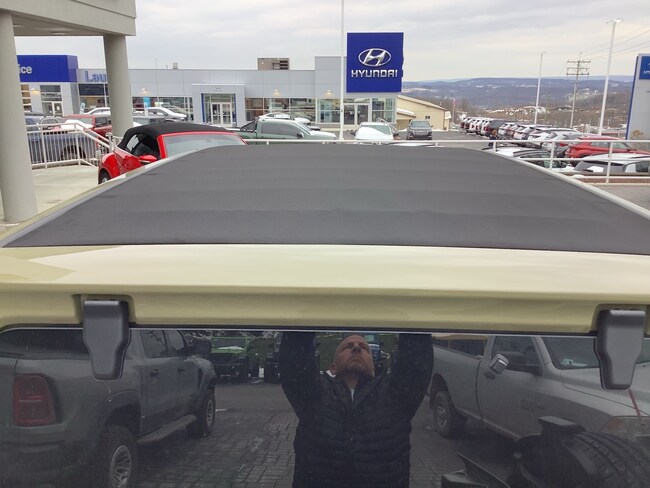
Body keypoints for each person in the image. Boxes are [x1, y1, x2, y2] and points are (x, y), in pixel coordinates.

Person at [279, 332, 433, 488]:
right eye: (347, 346)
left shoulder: (395, 396)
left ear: (373, 367)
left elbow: (416, 354)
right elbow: (295, 351)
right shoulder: (313, 395)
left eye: (364, 348)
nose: (356, 348)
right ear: (333, 367)